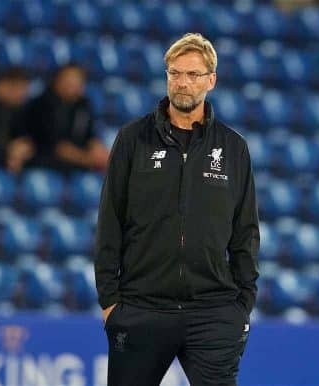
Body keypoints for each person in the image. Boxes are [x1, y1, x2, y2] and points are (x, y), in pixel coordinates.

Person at [94, 33, 260, 386]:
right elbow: (110, 221)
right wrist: (110, 302)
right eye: (175, 73)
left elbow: (245, 231)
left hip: (213, 311)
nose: (182, 82)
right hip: (141, 307)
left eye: (193, 74)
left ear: (211, 80)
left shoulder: (233, 148)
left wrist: (243, 303)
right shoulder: (131, 139)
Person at [23, 64, 109, 174]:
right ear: (57, 80)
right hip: (45, 160)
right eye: (69, 79)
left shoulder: (83, 104)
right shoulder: (41, 104)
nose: (73, 84)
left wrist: (100, 152)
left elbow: (90, 135)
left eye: (78, 80)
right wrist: (87, 160)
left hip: (77, 160)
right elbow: (55, 145)